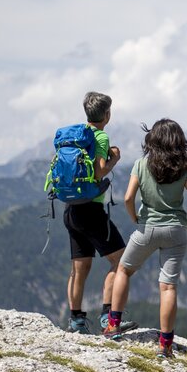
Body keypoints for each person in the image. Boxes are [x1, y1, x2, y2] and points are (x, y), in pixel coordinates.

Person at [103, 118, 187, 358]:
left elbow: (128, 197)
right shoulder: (185, 167)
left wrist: (135, 218)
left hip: (146, 228)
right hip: (176, 230)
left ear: (152, 139)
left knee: (124, 270)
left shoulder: (141, 163)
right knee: (168, 286)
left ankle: (113, 326)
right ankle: (165, 345)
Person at [63, 91, 138, 334]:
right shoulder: (100, 137)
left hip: (71, 210)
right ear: (107, 114)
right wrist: (114, 158)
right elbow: (98, 172)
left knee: (79, 268)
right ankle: (109, 319)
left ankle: (76, 322)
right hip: (91, 211)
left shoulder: (74, 136)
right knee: (121, 260)